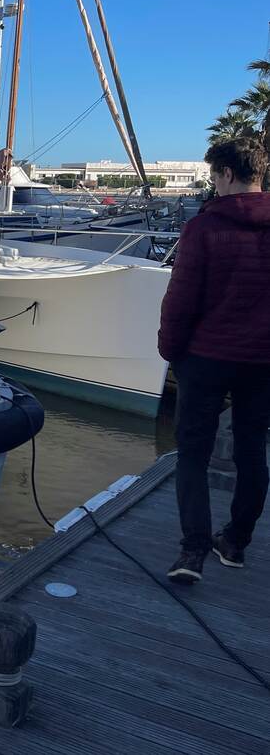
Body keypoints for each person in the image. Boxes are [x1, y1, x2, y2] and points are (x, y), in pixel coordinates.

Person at [159, 137, 270, 584]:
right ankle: (236, 542)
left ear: (226, 173)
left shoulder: (204, 229)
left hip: (206, 356)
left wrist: (169, 349)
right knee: (252, 450)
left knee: (193, 453)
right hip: (263, 360)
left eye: (214, 175)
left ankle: (193, 551)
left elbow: (180, 299)